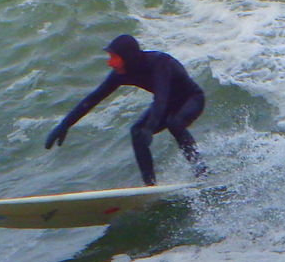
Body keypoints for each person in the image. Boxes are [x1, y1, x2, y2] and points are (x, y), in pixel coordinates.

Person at [44, 34, 207, 186]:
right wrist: (64, 125)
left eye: (114, 57)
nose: (110, 63)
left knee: (174, 122)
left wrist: (150, 128)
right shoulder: (121, 73)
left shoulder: (159, 63)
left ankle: (202, 173)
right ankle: (150, 186)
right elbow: (92, 99)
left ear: (128, 58)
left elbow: (161, 99)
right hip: (168, 103)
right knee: (136, 131)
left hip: (191, 98)